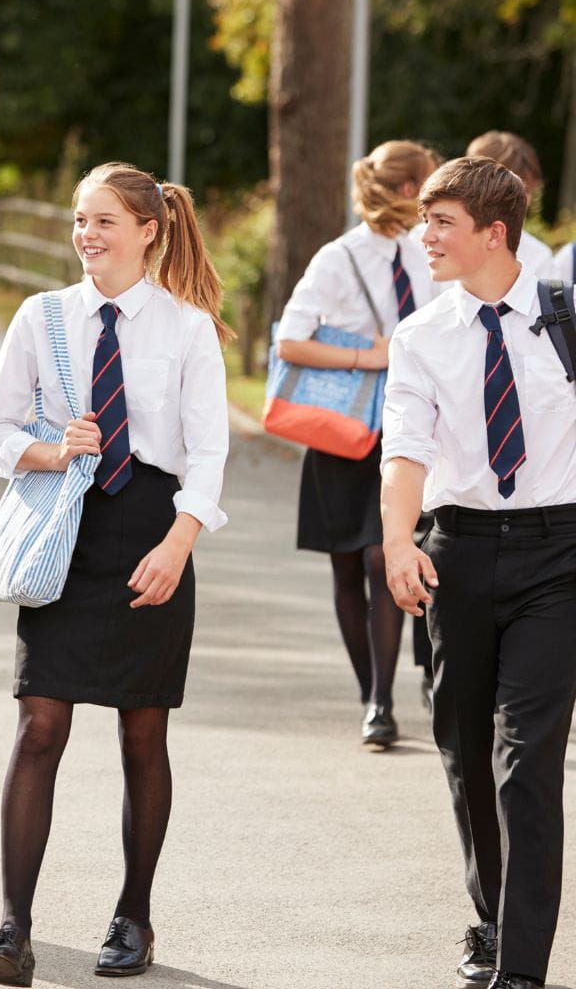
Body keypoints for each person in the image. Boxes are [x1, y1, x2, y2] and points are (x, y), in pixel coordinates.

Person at [0, 162, 230, 984]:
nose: (86, 236)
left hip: (152, 535)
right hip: (66, 532)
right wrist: (53, 450)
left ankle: (134, 918)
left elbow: (209, 451)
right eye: (79, 221)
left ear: (150, 230)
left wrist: (180, 542)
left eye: (104, 222)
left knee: (142, 732)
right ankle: (13, 928)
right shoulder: (41, 316)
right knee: (39, 723)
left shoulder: (188, 327)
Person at [381, 155, 576, 989]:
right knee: (464, 750)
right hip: (454, 553)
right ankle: (492, 918)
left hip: (560, 556)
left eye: (441, 223)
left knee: (526, 759)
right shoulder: (422, 336)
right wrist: (397, 542)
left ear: (493, 234)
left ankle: (523, 972)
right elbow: (405, 451)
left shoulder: (568, 316)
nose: (424, 236)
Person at [274, 140, 440, 746]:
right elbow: (289, 342)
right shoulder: (338, 258)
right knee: (349, 563)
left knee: (383, 555)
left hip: (411, 427)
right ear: (405, 191)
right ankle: (373, 692)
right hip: (345, 432)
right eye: (426, 185)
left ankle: (383, 698)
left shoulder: (432, 252)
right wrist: (367, 355)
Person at [466, 131, 555, 279]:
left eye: (526, 190)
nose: (520, 199)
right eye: (508, 190)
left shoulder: (539, 256)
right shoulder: (431, 240)